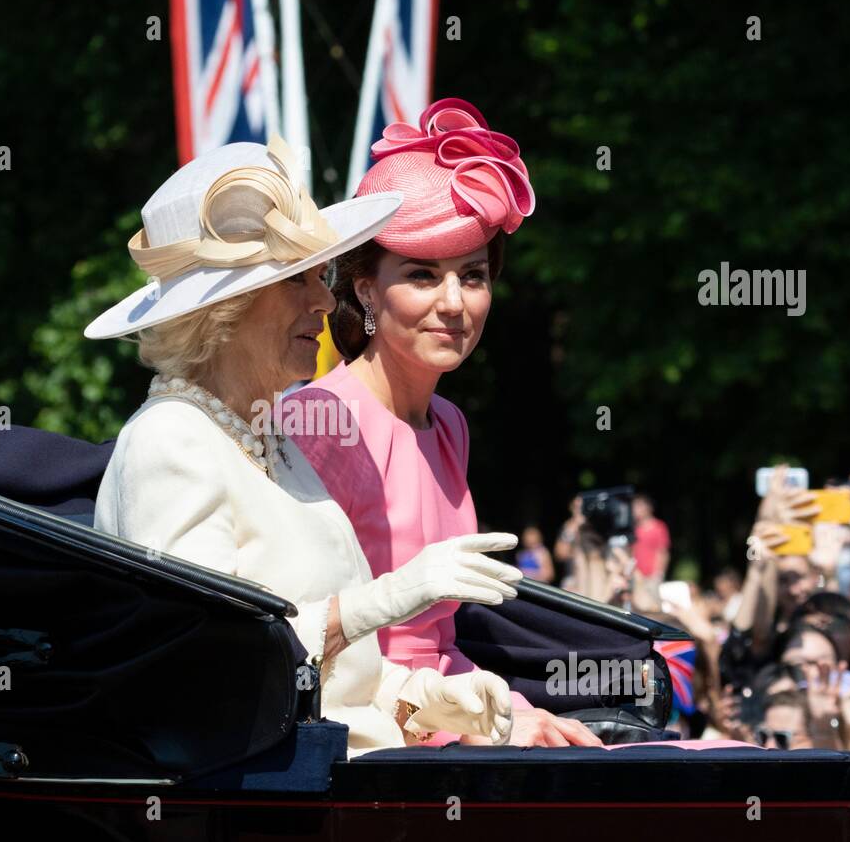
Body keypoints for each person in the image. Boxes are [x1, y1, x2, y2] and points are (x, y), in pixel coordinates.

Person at [85, 136, 522, 756]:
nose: (324, 300)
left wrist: (424, 698)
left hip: (343, 777)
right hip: (258, 808)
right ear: (226, 310)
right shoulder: (168, 441)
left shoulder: (272, 441)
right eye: (299, 281)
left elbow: (341, 673)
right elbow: (209, 660)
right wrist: (385, 598)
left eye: (320, 277)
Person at [281, 97, 598, 748]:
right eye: (423, 276)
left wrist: (517, 714)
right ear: (367, 289)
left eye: (473, 276)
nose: (453, 304)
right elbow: (297, 638)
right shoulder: (320, 420)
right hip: (362, 740)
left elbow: (438, 645)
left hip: (446, 722)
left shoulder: (449, 423)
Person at [632, 493, 671, 582]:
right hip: (636, 576)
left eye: (638, 506)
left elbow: (663, 552)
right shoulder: (633, 529)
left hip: (652, 576)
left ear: (648, 507)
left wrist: (659, 573)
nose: (635, 509)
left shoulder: (659, 527)